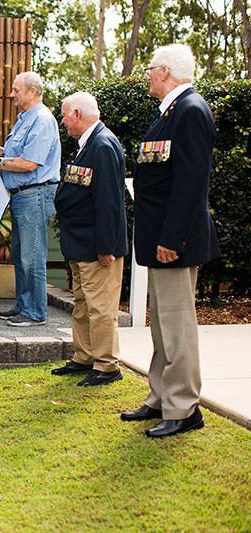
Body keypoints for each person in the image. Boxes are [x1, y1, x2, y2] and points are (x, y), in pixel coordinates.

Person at [121, 44, 220, 438]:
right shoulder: (170, 113)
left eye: (149, 69)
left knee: (177, 327)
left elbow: (191, 184)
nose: (147, 75)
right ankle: (160, 397)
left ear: (164, 72)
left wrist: (172, 239)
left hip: (173, 241)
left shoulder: (191, 111)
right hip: (160, 238)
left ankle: (184, 407)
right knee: (162, 326)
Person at [0, 72, 61, 326]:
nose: (11, 94)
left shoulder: (42, 120)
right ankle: (24, 306)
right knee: (22, 254)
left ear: (33, 92)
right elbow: (18, 154)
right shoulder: (25, 120)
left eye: (16, 90)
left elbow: (29, 163)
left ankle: (35, 312)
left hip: (35, 195)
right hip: (24, 196)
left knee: (32, 255)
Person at [52, 92, 128, 386]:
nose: (63, 120)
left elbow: (109, 202)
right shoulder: (87, 145)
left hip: (97, 247)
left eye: (65, 115)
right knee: (83, 304)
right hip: (80, 243)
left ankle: (107, 365)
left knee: (100, 308)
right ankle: (84, 356)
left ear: (78, 115)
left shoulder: (103, 145)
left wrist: (106, 247)